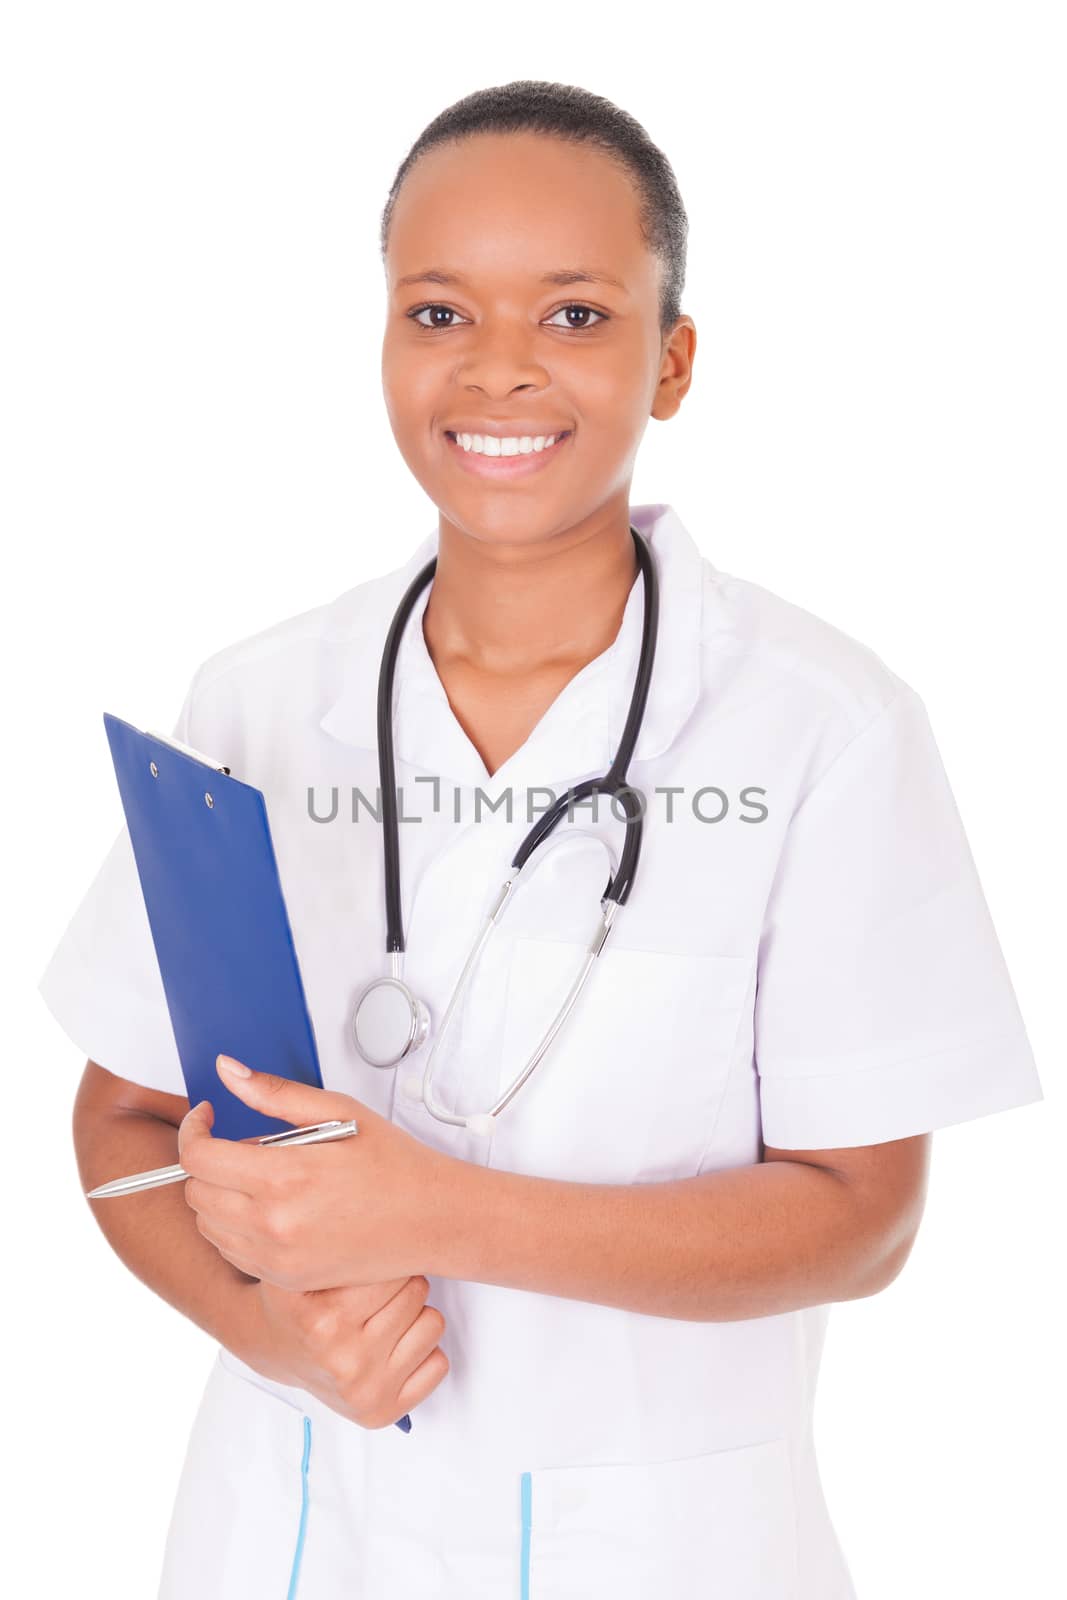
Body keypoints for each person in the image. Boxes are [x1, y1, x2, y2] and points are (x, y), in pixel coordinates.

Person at [38, 79, 1043, 1599]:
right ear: (383, 338)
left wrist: (433, 1211)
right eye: (438, 314)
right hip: (293, 1530)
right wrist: (270, 1329)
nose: (498, 371)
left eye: (575, 316)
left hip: (658, 1554)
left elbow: (861, 1222)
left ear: (675, 360)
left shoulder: (822, 728)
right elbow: (117, 1131)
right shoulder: (255, 698)